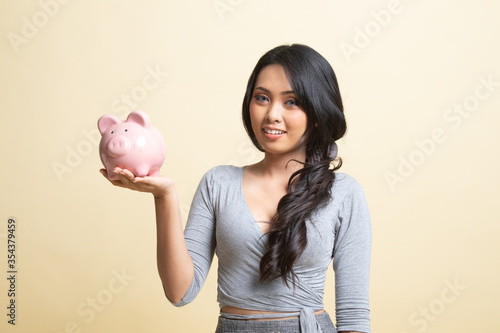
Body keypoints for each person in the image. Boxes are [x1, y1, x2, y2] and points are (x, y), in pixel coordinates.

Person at [100, 44, 372, 333]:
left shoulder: (344, 192)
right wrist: (163, 195)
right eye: (262, 98)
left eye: (291, 102)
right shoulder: (219, 183)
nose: (272, 114)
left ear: (317, 112)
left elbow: (354, 316)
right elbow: (179, 291)